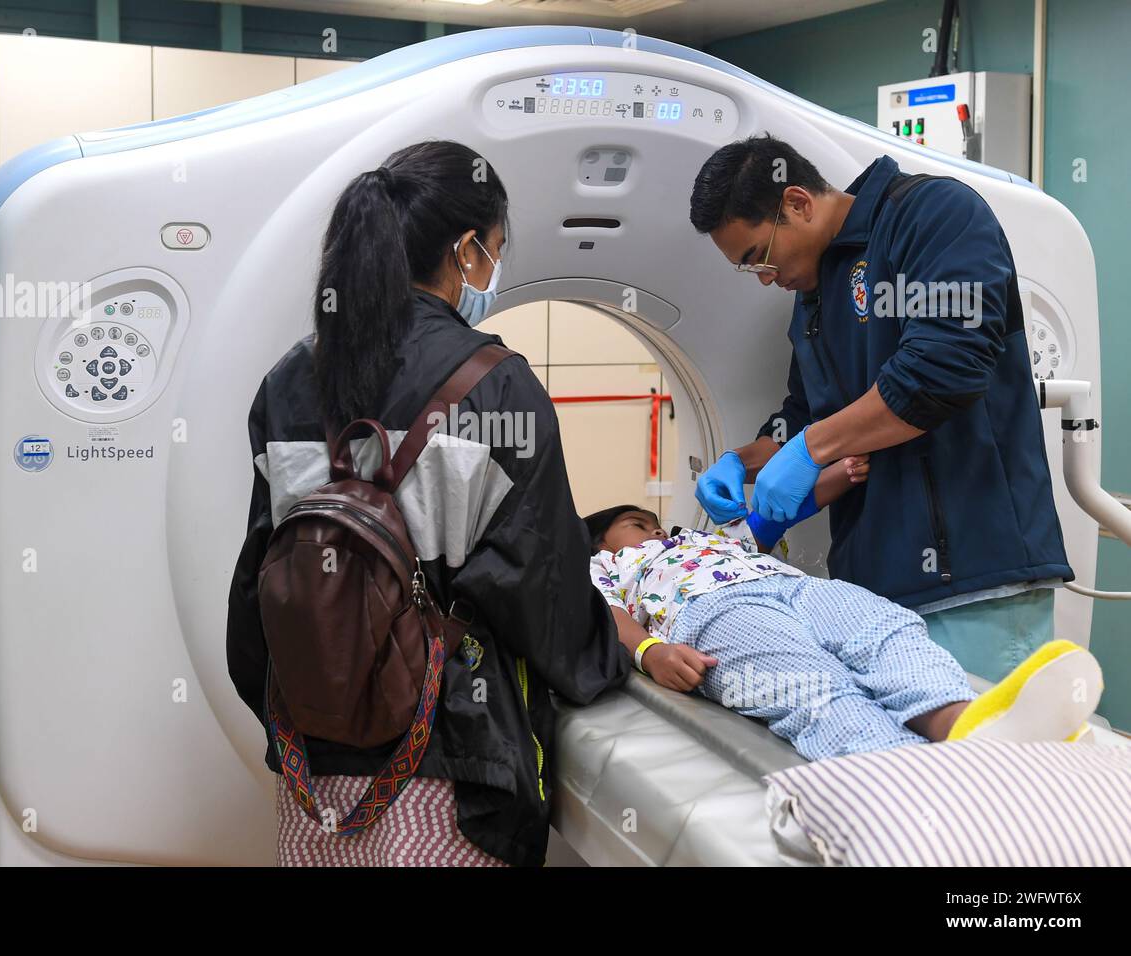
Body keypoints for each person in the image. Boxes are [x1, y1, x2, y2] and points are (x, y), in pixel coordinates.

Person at [225, 140, 630, 867]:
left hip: (313, 761)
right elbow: (538, 591)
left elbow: (261, 577)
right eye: (497, 248)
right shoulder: (499, 386)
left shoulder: (287, 380)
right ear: (468, 250)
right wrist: (615, 649)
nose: (494, 268)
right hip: (451, 763)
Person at [688, 133, 1073, 682]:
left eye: (760, 257)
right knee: (901, 771)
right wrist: (744, 460)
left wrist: (810, 449)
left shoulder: (932, 214)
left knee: (982, 761)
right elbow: (806, 412)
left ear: (797, 202)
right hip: (871, 593)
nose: (767, 278)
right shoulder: (816, 294)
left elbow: (944, 368)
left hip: (972, 577)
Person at [583, 498, 1101, 762]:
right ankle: (913, 779)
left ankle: (965, 726)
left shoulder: (704, 538)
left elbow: (775, 514)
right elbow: (606, 614)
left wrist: (837, 463)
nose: (654, 529)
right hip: (713, 609)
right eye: (636, 522)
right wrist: (650, 650)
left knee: (888, 630)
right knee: (812, 684)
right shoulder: (606, 565)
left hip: (800, 587)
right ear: (600, 541)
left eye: (655, 521)